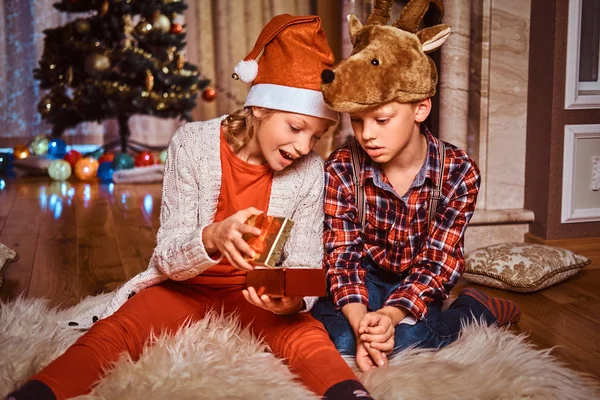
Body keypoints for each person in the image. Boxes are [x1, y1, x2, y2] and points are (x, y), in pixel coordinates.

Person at [7, 15, 375, 400]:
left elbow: (306, 263)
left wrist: (293, 298)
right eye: (296, 128)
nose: (303, 146)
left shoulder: (310, 170)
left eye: (316, 136)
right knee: (120, 329)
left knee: (305, 334)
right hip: (185, 286)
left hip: (253, 291)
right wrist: (213, 237)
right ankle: (37, 391)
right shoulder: (193, 144)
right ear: (261, 108)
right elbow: (167, 256)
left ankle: (351, 394)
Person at [311, 0, 522, 373]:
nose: (367, 135)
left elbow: (438, 262)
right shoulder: (342, 167)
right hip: (363, 274)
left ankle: (475, 308)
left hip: (417, 278)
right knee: (338, 340)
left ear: (421, 108)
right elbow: (341, 258)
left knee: (407, 345)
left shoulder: (458, 172)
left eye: (381, 119)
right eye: (357, 122)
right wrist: (361, 323)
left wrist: (392, 317)